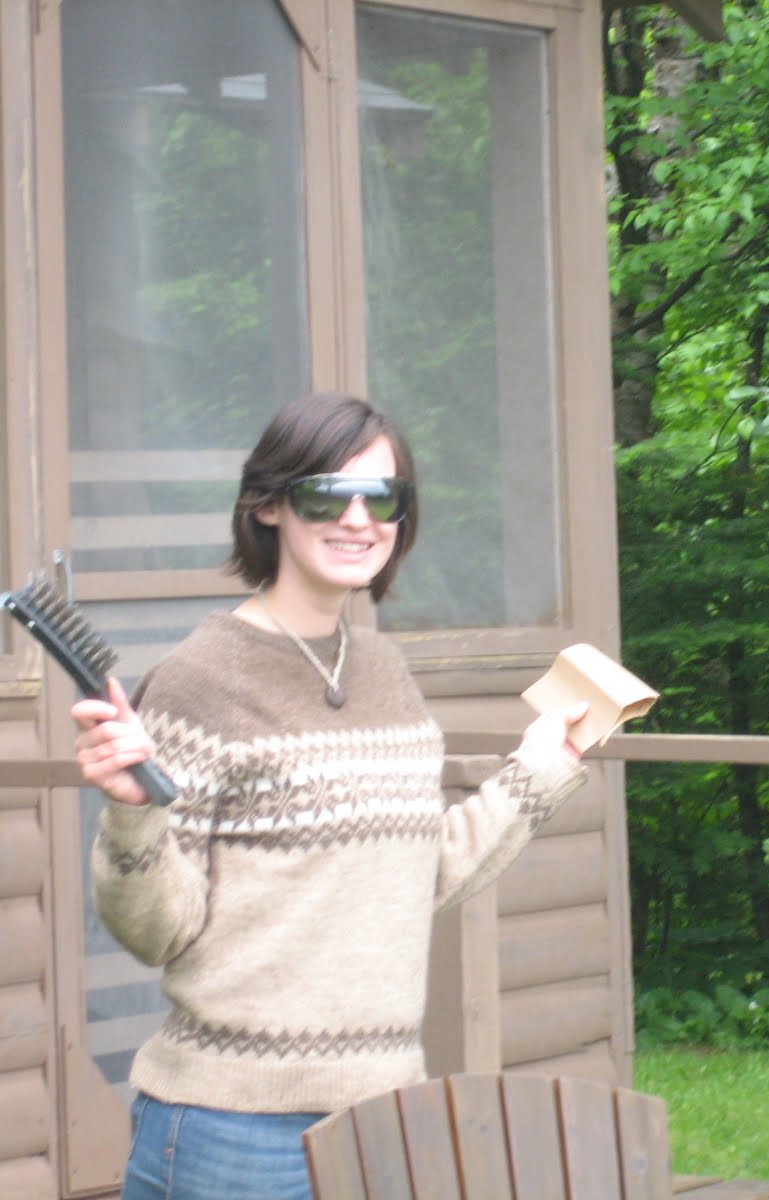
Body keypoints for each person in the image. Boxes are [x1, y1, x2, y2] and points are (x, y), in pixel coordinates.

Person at [72, 392, 591, 1200]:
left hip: (382, 1118)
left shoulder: (384, 670)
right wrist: (133, 815)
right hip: (234, 1133)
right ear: (269, 505)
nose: (357, 519)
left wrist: (540, 767)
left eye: (382, 496)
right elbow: (156, 932)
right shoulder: (201, 680)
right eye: (326, 495)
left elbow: (420, 873)